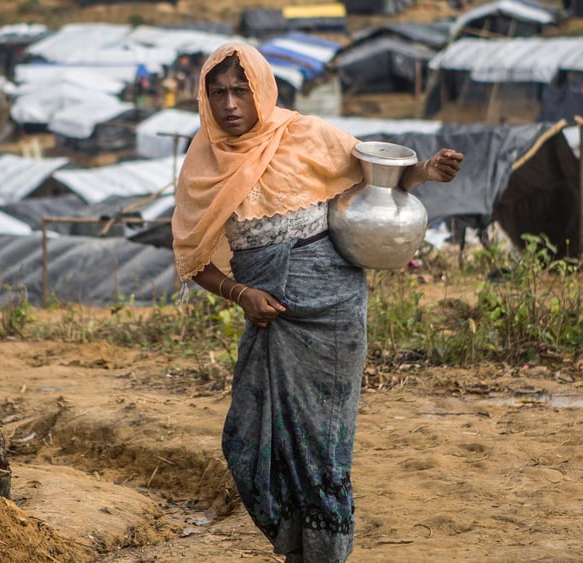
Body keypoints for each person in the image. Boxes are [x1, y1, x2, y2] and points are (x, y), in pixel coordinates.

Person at [171, 42, 463, 563]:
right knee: (244, 440)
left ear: (261, 89)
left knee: (321, 447)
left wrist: (425, 173)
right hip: (268, 317)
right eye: (218, 93)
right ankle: (296, 547)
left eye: (242, 90)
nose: (231, 104)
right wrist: (241, 295)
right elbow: (194, 261)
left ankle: (322, 554)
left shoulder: (305, 133)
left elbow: (380, 176)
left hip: (332, 310)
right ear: (205, 99)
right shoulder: (203, 162)